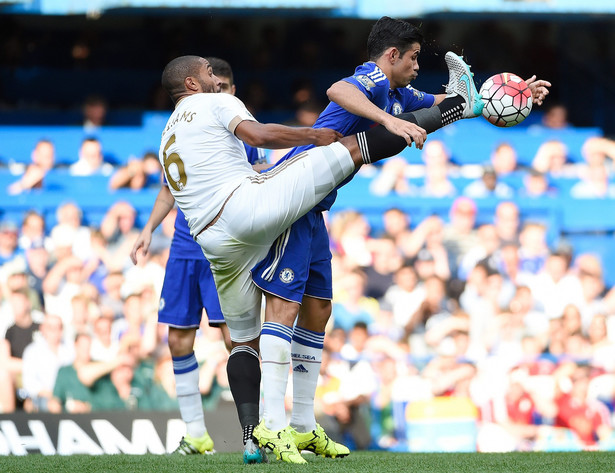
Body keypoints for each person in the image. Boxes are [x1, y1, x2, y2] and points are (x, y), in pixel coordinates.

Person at [135, 45, 488, 464]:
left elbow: (171, 187)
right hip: (247, 209)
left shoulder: (167, 132)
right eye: (209, 72)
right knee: (349, 150)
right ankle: (463, 108)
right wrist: (311, 134)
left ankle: (254, 435)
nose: (216, 77)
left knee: (242, 342)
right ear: (192, 83)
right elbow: (259, 136)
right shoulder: (215, 102)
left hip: (212, 241)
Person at [249, 15, 545, 464]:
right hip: (294, 193)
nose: (415, 68)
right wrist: (391, 119)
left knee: (317, 310)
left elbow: (451, 104)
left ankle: (305, 427)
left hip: (316, 208)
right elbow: (336, 91)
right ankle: (272, 425)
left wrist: (510, 95)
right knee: (285, 308)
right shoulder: (371, 79)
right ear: (392, 56)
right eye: (412, 59)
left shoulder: (398, 91)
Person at [130, 57, 268, 461]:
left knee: (235, 339)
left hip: (220, 246)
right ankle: (196, 434)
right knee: (177, 339)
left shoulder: (237, 124)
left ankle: (253, 433)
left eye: (224, 85)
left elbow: (258, 171)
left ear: (231, 90)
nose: (218, 91)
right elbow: (168, 187)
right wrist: (148, 228)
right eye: (213, 82)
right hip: (183, 247)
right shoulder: (186, 126)